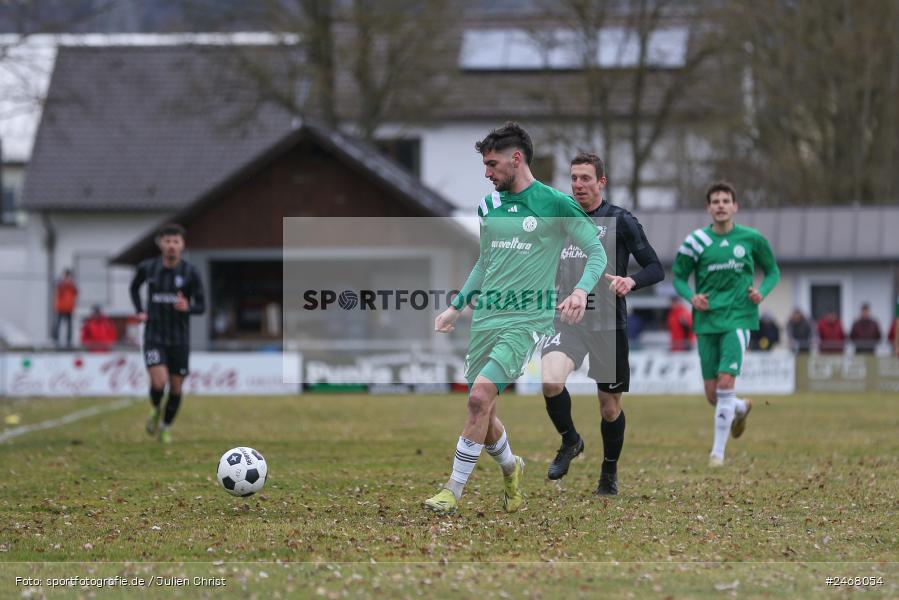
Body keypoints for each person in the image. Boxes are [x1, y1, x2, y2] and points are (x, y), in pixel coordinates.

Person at [424, 123, 607, 515]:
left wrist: (580, 290)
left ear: (516, 159)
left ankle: (452, 492)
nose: (487, 173)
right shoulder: (488, 207)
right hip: (485, 319)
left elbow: (596, 252)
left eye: (492, 164)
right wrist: (457, 306)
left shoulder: (556, 204)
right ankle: (512, 469)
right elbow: (485, 263)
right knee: (484, 412)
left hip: (526, 321)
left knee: (477, 399)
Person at [540, 152, 663, 496]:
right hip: (568, 320)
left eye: (585, 178)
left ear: (601, 182)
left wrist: (631, 282)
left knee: (609, 408)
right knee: (550, 380)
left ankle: (609, 470)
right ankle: (570, 441)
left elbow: (655, 267)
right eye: (574, 178)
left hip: (608, 325)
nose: (578, 185)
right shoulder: (561, 220)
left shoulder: (621, 221)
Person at [672, 181, 780, 467]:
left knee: (725, 382)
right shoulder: (695, 241)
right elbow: (679, 277)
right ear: (708, 208)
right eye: (715, 201)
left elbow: (772, 271)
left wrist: (762, 292)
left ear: (735, 206)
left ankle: (717, 454)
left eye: (725, 201)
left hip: (739, 317)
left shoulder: (751, 238)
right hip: (706, 321)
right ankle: (741, 408)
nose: (720, 205)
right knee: (713, 394)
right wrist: (691, 297)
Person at [129, 223, 205, 443]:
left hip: (179, 338)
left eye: (176, 242)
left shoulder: (191, 272)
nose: (172, 246)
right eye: (168, 241)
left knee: (176, 386)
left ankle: (166, 426)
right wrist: (140, 311)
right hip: (154, 335)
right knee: (159, 382)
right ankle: (155, 408)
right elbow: (134, 288)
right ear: (161, 244)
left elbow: (202, 306)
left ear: (182, 245)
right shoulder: (148, 268)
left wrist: (187, 307)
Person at [53, 268, 78, 347]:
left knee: (69, 325)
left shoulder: (72, 286)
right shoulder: (61, 285)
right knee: (58, 324)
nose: (67, 277)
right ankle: (56, 339)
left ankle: (68, 340)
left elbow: (75, 293)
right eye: (66, 275)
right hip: (61, 308)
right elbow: (59, 291)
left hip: (69, 308)